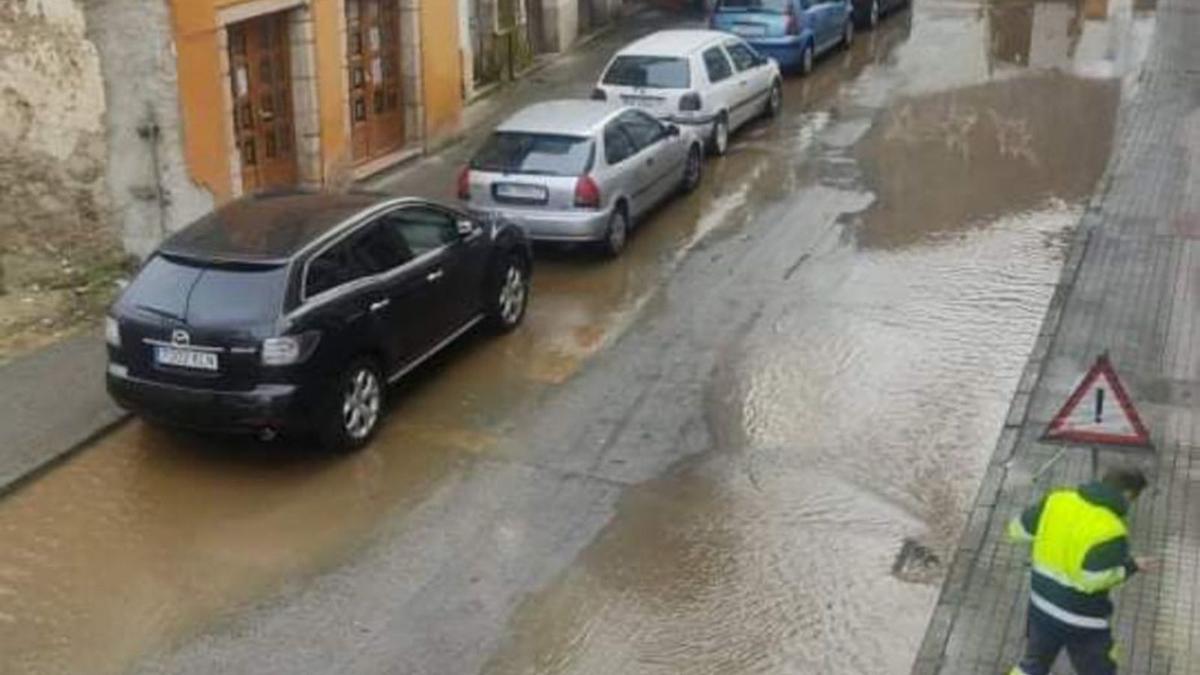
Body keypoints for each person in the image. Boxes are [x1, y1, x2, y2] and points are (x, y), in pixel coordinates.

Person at [1007, 467, 1156, 675]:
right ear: (1128, 495)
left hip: (1041, 607)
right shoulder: (1112, 530)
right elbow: (1092, 581)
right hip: (1082, 619)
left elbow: (1017, 531)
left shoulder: (1056, 500)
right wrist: (1130, 567)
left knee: (1032, 666)